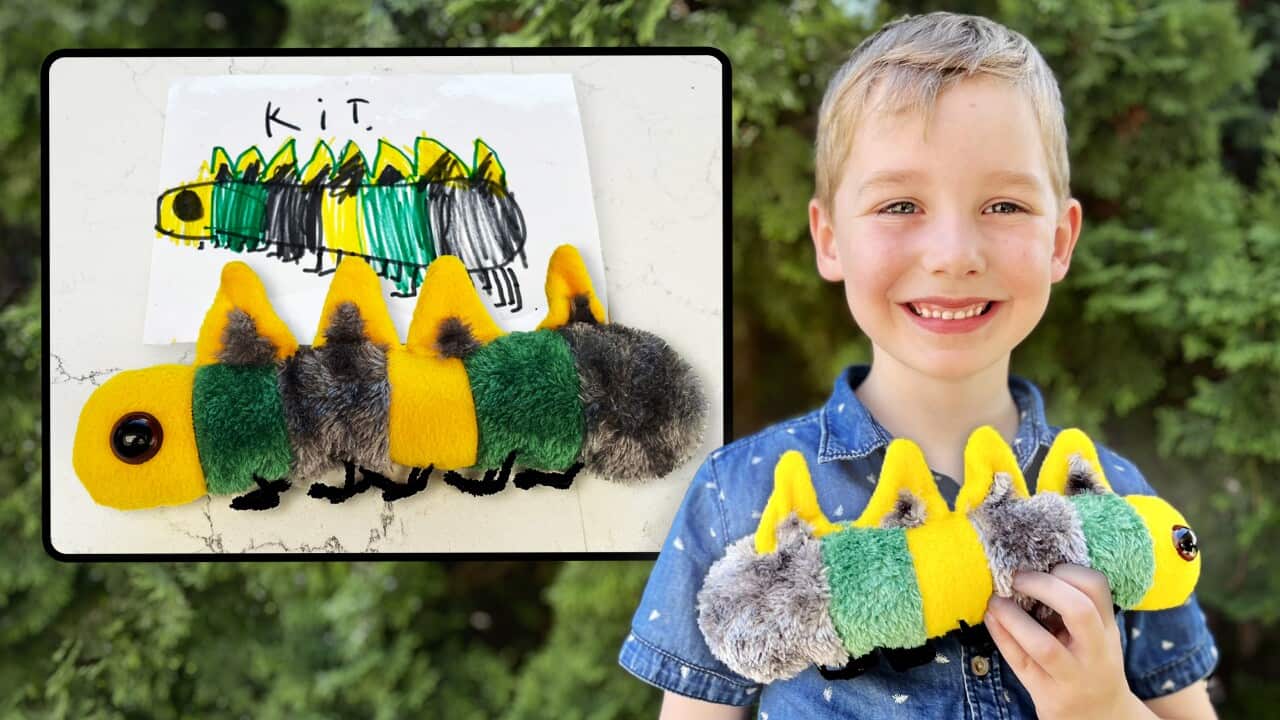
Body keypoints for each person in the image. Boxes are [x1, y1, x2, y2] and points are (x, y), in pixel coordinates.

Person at [618, 11, 1219, 720]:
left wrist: (1105, 707)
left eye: (1004, 204)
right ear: (830, 238)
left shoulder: (1117, 502)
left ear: (1061, 241)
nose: (953, 252)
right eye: (901, 204)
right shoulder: (739, 494)